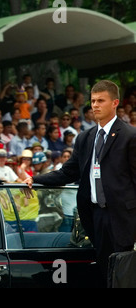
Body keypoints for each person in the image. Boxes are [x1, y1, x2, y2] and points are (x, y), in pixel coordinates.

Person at [24, 80, 136, 280]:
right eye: (93, 101)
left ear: (115, 103)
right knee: (104, 270)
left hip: (123, 217)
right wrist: (36, 179)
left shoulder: (129, 135)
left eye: (101, 100)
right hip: (96, 216)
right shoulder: (85, 137)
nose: (95, 105)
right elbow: (67, 173)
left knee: (124, 273)